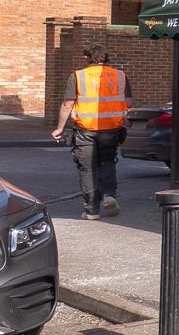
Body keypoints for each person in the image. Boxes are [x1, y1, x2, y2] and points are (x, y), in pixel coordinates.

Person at [50, 43, 130, 220]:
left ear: (87, 58)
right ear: (105, 58)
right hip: (111, 129)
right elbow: (129, 102)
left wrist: (60, 128)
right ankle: (109, 195)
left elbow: (68, 104)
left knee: (87, 169)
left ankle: (92, 210)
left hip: (85, 130)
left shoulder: (78, 76)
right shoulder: (120, 76)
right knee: (107, 163)